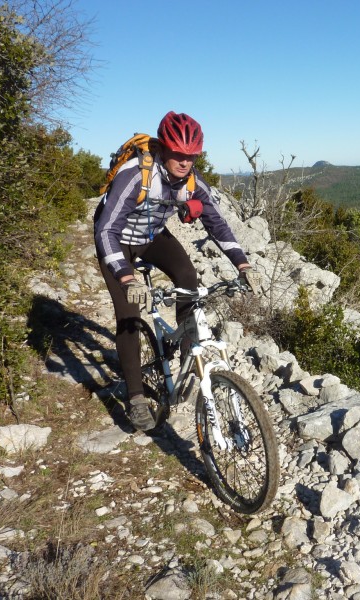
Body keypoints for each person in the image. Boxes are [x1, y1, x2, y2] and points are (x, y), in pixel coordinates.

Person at [94, 111, 252, 431]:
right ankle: (136, 397)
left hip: (151, 237)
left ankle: (185, 346)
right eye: (178, 154)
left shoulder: (192, 181)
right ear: (163, 149)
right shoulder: (136, 175)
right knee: (129, 314)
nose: (184, 162)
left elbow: (217, 224)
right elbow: (105, 229)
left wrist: (243, 263)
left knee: (187, 276)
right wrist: (126, 276)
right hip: (117, 241)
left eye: (191, 157)